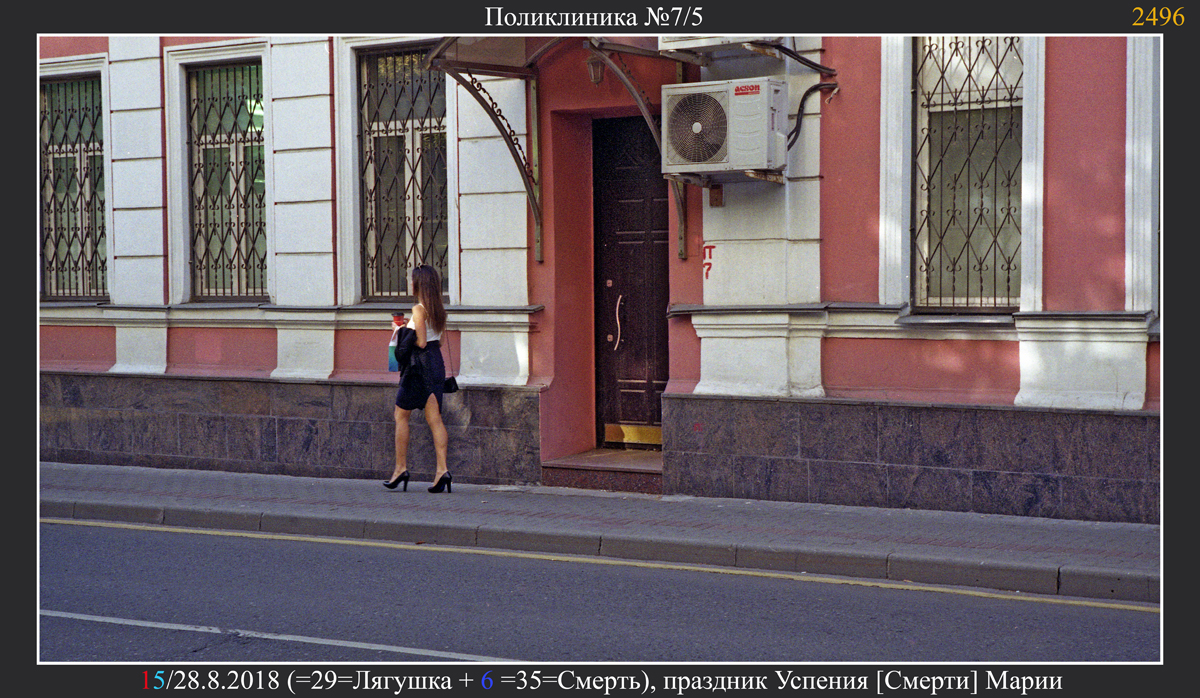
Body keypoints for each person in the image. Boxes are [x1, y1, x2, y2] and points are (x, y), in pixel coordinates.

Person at [384, 265, 452, 493]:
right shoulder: (439, 310)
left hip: (417, 368)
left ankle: (400, 469)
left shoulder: (418, 309)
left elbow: (420, 342)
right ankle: (442, 471)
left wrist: (400, 331)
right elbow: (438, 342)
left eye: (410, 279)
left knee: (401, 415)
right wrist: (409, 327)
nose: (408, 281)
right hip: (436, 363)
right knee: (435, 419)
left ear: (418, 285)